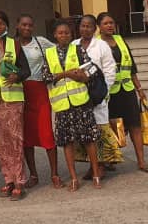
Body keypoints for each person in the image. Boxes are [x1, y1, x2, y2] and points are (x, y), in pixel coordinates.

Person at [0, 10, 32, 200]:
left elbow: (26, 70)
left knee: (16, 141)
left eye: (2, 23)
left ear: (7, 26)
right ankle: (8, 180)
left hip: (13, 99)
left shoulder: (15, 45)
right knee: (1, 143)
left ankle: (20, 181)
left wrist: (16, 76)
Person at [45, 20, 101, 192]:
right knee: (67, 142)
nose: (64, 36)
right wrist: (68, 73)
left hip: (80, 102)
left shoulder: (78, 49)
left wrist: (81, 76)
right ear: (55, 35)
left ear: (71, 35)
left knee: (89, 139)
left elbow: (91, 70)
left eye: (67, 33)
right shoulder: (48, 53)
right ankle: (74, 178)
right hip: (62, 105)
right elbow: (47, 77)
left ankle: (96, 174)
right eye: (60, 33)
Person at [97, 12, 148, 173]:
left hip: (127, 90)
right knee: (113, 126)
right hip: (109, 92)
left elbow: (131, 67)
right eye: (106, 23)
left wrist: (140, 89)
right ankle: (110, 159)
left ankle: (141, 161)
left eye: (111, 22)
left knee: (135, 125)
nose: (110, 26)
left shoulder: (121, 41)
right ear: (99, 26)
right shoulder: (96, 45)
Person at [16, 14, 61, 189]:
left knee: (46, 133)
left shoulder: (41, 42)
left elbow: (58, 50)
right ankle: (33, 175)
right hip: (20, 92)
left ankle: (54, 174)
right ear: (18, 26)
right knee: (27, 137)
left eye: (30, 25)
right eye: (24, 24)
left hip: (40, 91)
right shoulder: (13, 45)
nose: (27, 28)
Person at [74, 14, 119, 178]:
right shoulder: (74, 45)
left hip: (98, 94)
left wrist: (104, 90)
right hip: (79, 95)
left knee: (99, 130)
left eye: (89, 26)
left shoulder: (101, 46)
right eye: (82, 26)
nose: (85, 29)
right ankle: (91, 165)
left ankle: (101, 165)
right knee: (86, 132)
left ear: (94, 29)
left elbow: (109, 69)